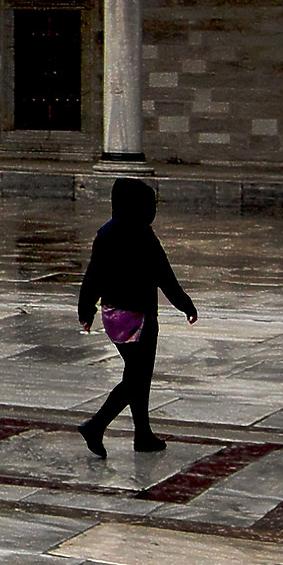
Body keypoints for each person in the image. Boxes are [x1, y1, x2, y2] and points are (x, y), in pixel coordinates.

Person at [76, 177, 197, 456]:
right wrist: (185, 305)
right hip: (139, 316)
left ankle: (143, 434)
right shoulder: (143, 234)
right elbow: (164, 276)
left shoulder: (105, 232)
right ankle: (96, 425)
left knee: (136, 374)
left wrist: (86, 310)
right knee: (137, 379)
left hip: (112, 315)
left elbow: (93, 275)